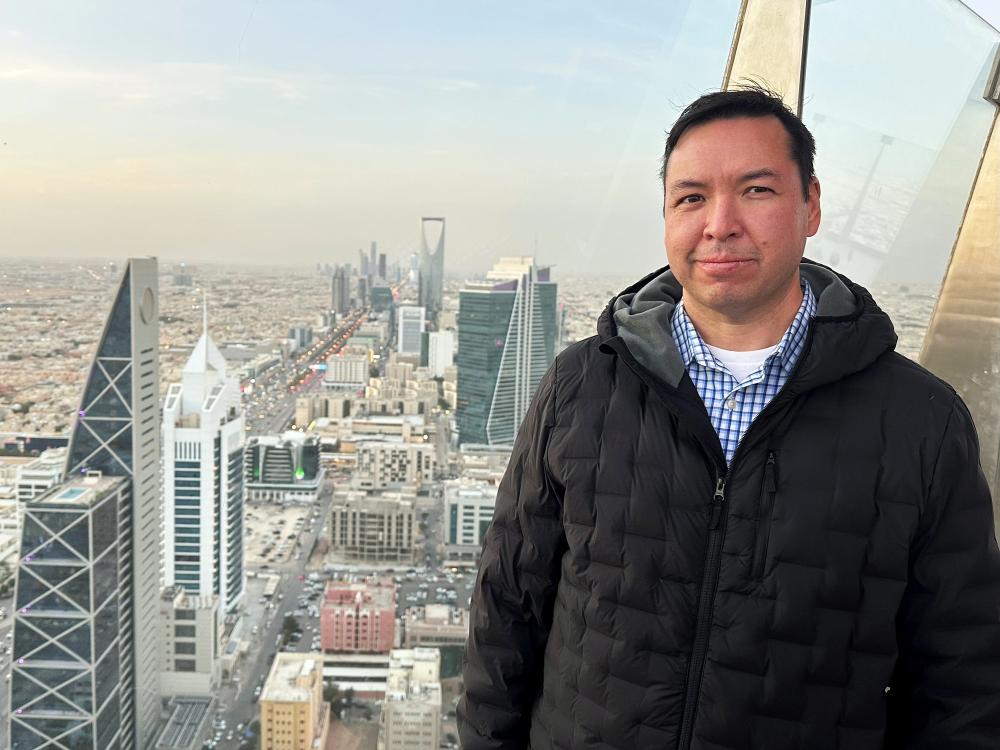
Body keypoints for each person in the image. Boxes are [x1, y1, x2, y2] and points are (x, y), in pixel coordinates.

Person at [457, 86, 1000, 749]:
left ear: (813, 206)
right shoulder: (582, 385)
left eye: (756, 190)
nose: (719, 223)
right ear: (666, 219)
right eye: (691, 198)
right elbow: (507, 614)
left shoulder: (919, 422)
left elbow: (963, 683)